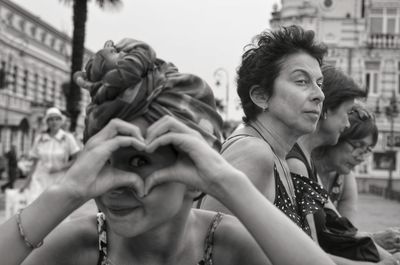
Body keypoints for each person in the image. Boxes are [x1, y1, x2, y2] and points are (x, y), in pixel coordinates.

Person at [0, 38, 336, 265]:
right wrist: (66, 192)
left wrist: (224, 181)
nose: (114, 183)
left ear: (194, 168)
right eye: (103, 160)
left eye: (139, 160)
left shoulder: (225, 245)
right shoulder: (78, 246)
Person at [201, 25, 329, 237]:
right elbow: (207, 249)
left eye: (319, 83)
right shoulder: (253, 152)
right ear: (261, 96)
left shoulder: (276, 155)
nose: (320, 95)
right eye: (302, 81)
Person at [286, 67, 400, 264]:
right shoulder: (296, 163)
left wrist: (384, 255)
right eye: (346, 112)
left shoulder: (306, 161)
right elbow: (307, 252)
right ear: (326, 110)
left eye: (368, 150)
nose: (347, 123)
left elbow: (344, 232)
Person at [313, 104, 400, 253]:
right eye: (358, 145)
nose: (361, 157)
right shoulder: (303, 166)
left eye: (367, 150)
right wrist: (373, 239)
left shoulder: (344, 178)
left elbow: (347, 234)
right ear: (337, 137)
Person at [21, 107, 81, 203]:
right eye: (51, 119)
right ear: (47, 122)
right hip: (39, 180)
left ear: (61, 121)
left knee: (56, 211)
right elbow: (35, 163)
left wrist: (60, 167)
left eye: (57, 119)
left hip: (59, 181)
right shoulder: (40, 138)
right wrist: (26, 183)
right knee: (37, 208)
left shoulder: (67, 138)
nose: (54, 122)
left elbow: (77, 159)